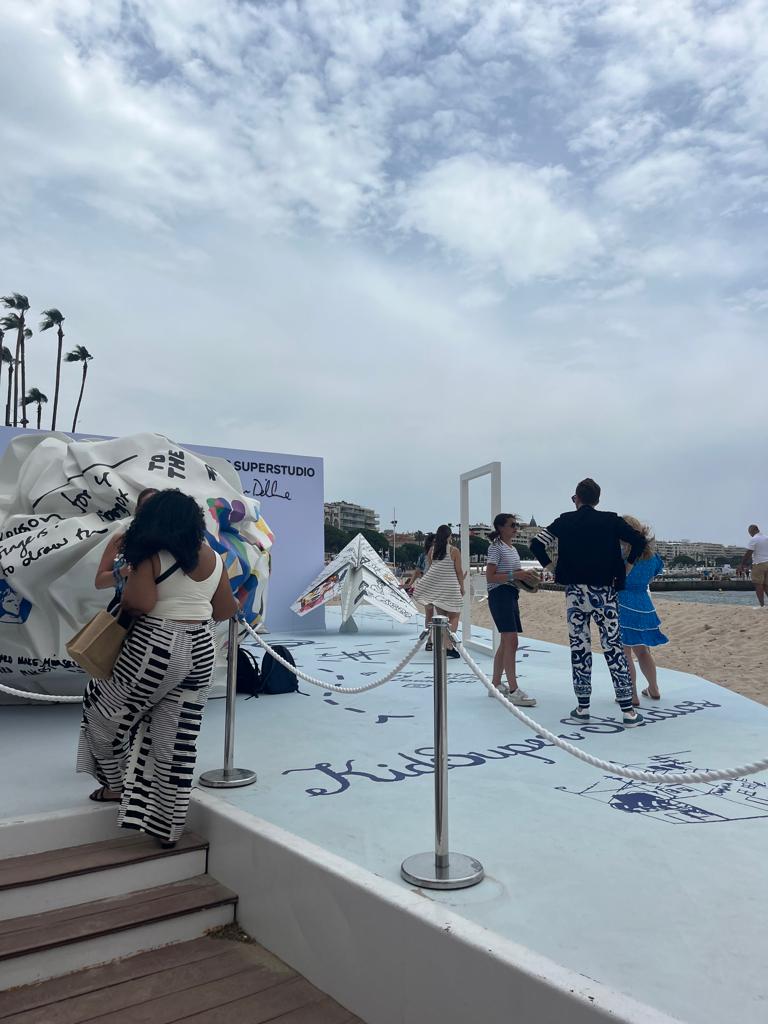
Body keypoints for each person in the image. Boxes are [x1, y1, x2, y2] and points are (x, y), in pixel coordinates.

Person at [77, 489, 239, 847]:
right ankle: (167, 827)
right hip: (201, 649)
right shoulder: (213, 557)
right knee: (175, 740)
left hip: (154, 647)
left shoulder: (150, 554)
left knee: (101, 711)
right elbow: (225, 609)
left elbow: (140, 603)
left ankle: (116, 785)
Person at [530, 478, 647, 727]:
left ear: (577, 498)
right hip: (605, 591)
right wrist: (626, 567)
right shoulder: (611, 520)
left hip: (575, 592)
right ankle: (627, 710)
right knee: (613, 646)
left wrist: (553, 568)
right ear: (597, 500)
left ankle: (583, 706)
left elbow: (536, 543)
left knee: (579, 647)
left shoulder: (564, 521)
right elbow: (639, 540)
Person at [485, 513, 539, 705]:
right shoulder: (496, 547)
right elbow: (490, 576)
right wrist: (516, 575)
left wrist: (524, 576)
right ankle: (514, 690)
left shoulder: (512, 548)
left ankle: (496, 684)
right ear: (501, 527)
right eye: (512, 525)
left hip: (510, 594)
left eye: (516, 525)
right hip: (500, 594)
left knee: (506, 642)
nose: (516, 528)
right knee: (511, 641)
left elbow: (512, 574)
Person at [617, 516, 668, 703]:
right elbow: (651, 578)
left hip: (623, 602)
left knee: (625, 652)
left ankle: (631, 695)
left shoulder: (622, 555)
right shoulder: (652, 556)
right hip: (644, 604)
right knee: (643, 651)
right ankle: (654, 688)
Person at [94, 487, 159, 607]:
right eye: (147, 506)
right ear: (138, 510)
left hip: (160, 611)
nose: (151, 512)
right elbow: (99, 582)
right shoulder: (121, 540)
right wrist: (124, 571)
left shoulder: (171, 544)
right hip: (124, 608)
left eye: (156, 507)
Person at [413, 525, 464, 658]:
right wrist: (462, 587)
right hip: (451, 588)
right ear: (449, 536)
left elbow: (432, 569)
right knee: (454, 616)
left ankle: (443, 644)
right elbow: (458, 571)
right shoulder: (454, 551)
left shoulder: (432, 550)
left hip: (437, 589)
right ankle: (448, 645)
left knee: (442, 618)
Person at [740, 525, 768, 608]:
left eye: (750, 532)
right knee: (766, 585)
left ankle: (762, 606)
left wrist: (742, 564)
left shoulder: (754, 539)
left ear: (753, 530)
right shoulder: (766, 538)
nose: (750, 534)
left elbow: (749, 553)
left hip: (759, 563)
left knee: (758, 584)